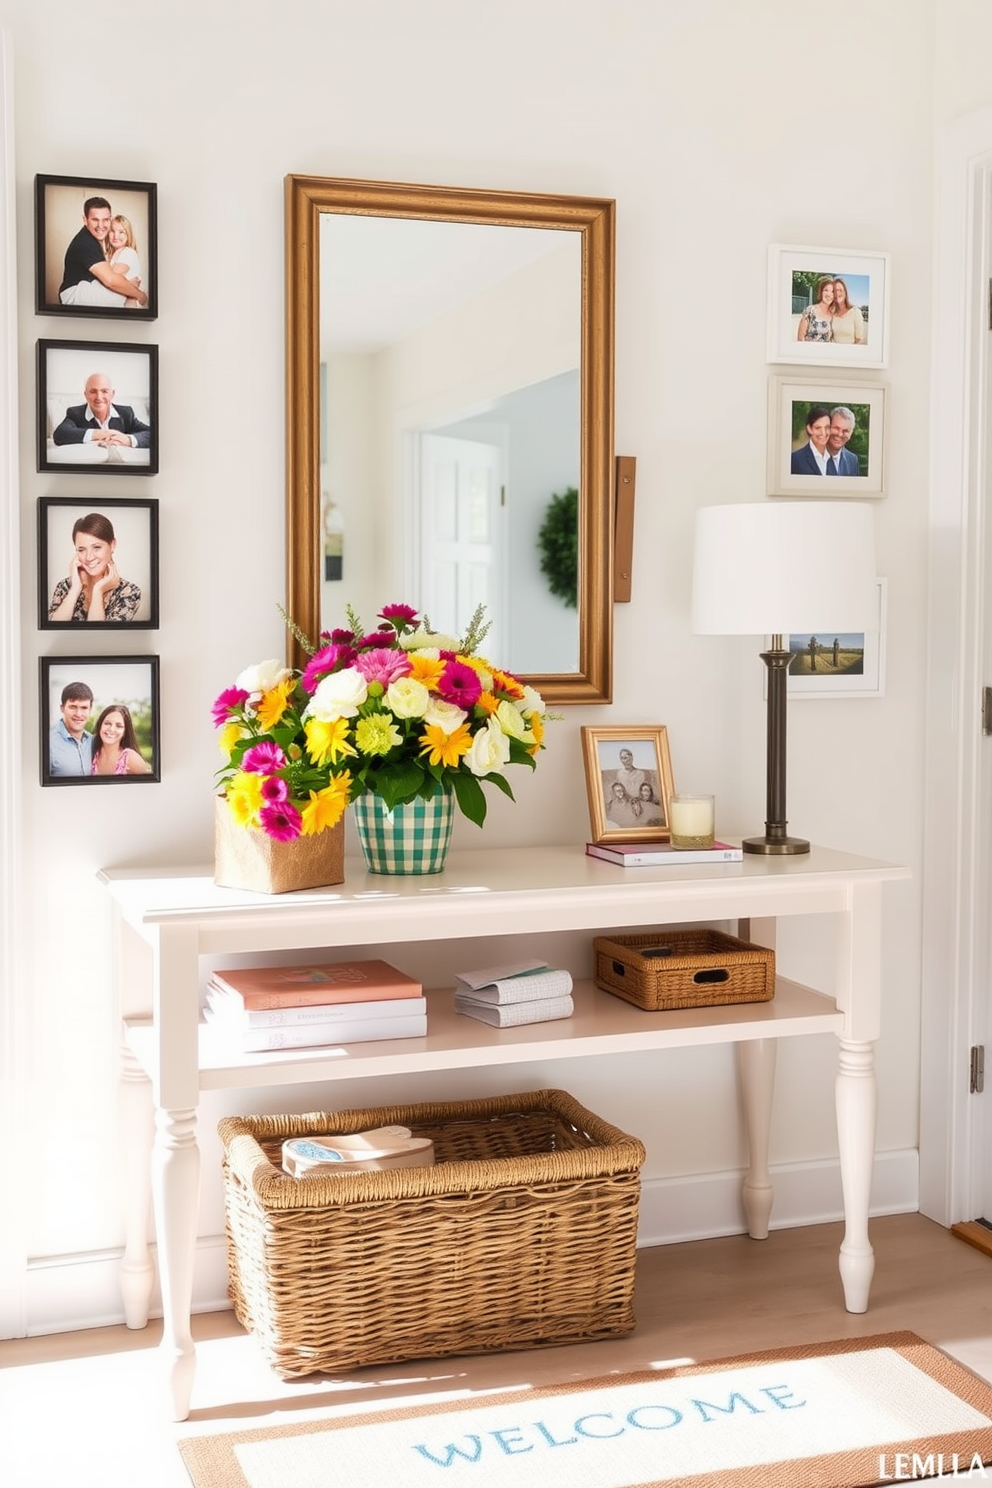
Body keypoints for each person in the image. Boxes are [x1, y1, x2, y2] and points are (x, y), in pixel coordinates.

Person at [48, 512, 142, 623]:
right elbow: (52, 630)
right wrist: (75, 589)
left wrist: (98, 591)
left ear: (112, 545)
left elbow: (101, 636)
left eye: (97, 547)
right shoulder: (65, 587)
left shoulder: (129, 593)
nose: (89, 557)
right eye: (81, 550)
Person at [58, 197, 148, 309]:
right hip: (74, 295)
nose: (101, 225)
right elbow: (111, 280)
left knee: (121, 288)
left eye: (106, 219)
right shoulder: (86, 243)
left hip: (77, 293)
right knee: (118, 286)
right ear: (85, 220)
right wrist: (138, 293)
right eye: (95, 220)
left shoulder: (126, 252)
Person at [52, 371, 152, 450]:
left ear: (112, 394)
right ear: (85, 395)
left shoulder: (126, 413)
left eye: (104, 391)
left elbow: (152, 433)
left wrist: (128, 440)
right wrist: (103, 434)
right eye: (93, 391)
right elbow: (60, 434)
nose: (99, 397)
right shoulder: (75, 413)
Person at [90, 704, 152, 776]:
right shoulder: (92, 751)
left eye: (119, 726)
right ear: (100, 725)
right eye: (107, 723)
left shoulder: (130, 758)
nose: (111, 729)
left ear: (125, 732)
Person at [49, 681, 95, 777]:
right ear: (62, 708)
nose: (78, 714)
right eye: (73, 707)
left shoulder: (94, 742)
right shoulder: (48, 743)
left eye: (84, 708)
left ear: (90, 710)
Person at [107, 215, 144, 310]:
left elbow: (110, 277)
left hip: (130, 303)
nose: (116, 236)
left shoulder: (128, 252)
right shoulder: (112, 255)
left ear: (128, 235)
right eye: (112, 231)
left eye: (121, 232)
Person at [790, 404, 833, 474]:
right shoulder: (795, 459)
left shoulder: (834, 459)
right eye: (818, 428)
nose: (823, 433)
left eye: (827, 427)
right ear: (809, 429)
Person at [828, 277, 866, 346]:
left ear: (845, 293)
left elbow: (859, 339)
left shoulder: (855, 312)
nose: (837, 293)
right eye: (835, 291)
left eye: (840, 290)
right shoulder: (831, 312)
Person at [796, 276, 834, 342]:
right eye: (826, 290)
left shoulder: (834, 314)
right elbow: (800, 338)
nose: (829, 294)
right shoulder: (810, 310)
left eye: (832, 291)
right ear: (821, 292)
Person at [825, 405, 860, 476]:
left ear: (851, 434)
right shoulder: (805, 458)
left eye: (845, 431)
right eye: (836, 428)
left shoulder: (852, 460)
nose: (840, 434)